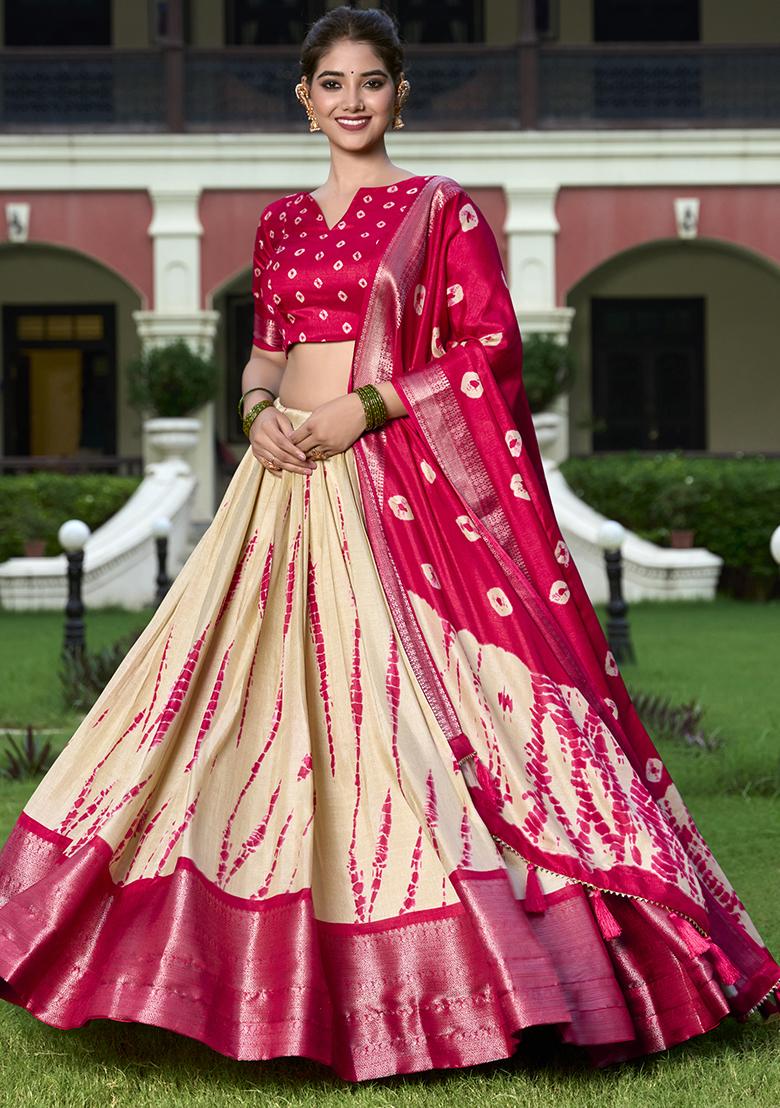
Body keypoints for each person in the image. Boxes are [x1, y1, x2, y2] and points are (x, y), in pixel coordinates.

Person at [0, 5, 778, 1085]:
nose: (352, 101)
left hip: (393, 492)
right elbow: (266, 351)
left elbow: (486, 349)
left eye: (372, 81)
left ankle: (474, 979)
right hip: (279, 490)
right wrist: (257, 411)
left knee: (402, 721)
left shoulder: (438, 209)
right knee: (233, 714)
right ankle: (239, 973)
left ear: (399, 95)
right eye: (333, 83)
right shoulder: (280, 223)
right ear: (305, 97)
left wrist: (357, 411)